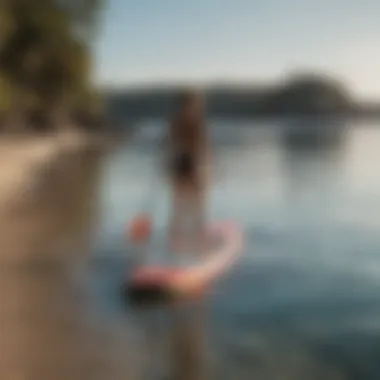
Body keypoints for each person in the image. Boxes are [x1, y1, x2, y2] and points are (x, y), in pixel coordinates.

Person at [166, 89, 210, 255]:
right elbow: (203, 149)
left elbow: (169, 145)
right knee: (193, 205)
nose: (196, 107)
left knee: (183, 206)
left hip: (183, 162)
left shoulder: (176, 122)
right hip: (187, 163)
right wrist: (205, 170)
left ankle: (183, 243)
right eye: (195, 104)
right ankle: (194, 244)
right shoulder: (195, 123)